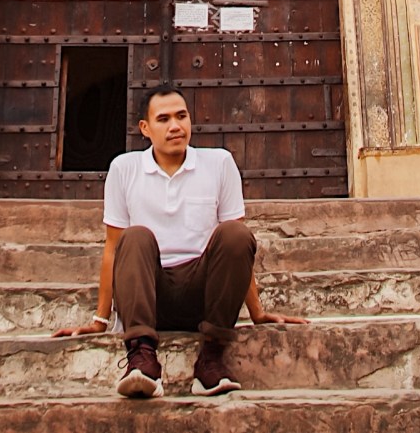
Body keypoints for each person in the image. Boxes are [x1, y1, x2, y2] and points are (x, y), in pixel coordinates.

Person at [53, 84, 306, 398]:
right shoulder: (124, 168)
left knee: (237, 233)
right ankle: (142, 360)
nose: (175, 126)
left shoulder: (219, 164)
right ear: (145, 128)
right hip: (148, 296)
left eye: (182, 116)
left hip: (203, 296)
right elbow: (112, 248)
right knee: (135, 237)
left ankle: (211, 360)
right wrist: (100, 319)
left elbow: (236, 251)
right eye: (164, 119)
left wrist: (256, 311)